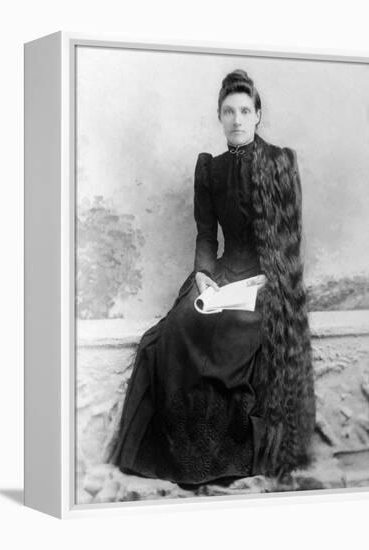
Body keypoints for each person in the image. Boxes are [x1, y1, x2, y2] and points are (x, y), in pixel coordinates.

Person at [107, 69, 316, 486]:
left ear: (258, 115)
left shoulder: (280, 163)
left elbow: (289, 240)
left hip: (266, 280)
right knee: (176, 332)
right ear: (219, 117)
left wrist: (267, 280)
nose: (236, 119)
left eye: (244, 110)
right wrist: (203, 274)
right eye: (228, 111)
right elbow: (206, 235)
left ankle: (226, 456)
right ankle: (181, 457)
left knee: (232, 336)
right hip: (221, 275)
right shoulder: (210, 169)